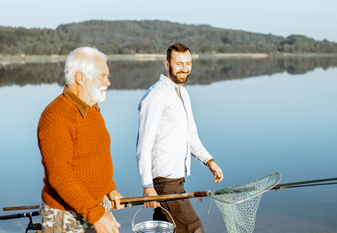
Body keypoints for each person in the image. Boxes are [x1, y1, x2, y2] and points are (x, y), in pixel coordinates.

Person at [136, 43, 224, 233]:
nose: (184, 68)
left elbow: (191, 136)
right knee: (194, 229)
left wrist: (209, 161)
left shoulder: (183, 94)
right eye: (179, 63)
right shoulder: (155, 96)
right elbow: (144, 145)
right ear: (167, 64)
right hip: (164, 182)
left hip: (177, 180)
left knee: (166, 229)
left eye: (188, 63)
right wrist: (147, 186)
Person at [37, 47, 124, 233]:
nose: (108, 82)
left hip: (96, 207)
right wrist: (95, 213)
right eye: (102, 76)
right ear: (80, 78)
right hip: (66, 216)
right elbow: (60, 175)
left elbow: (95, 157)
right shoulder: (56, 116)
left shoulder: (92, 109)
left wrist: (110, 189)